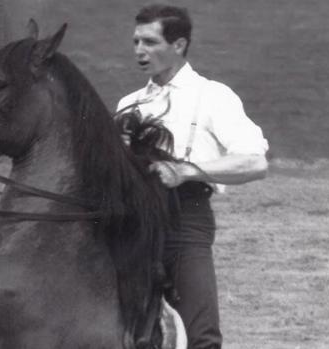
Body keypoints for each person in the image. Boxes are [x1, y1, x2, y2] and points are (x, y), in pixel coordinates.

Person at [116, 4, 269, 349]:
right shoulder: (128, 104)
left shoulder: (213, 97)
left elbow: (254, 162)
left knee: (201, 336)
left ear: (179, 45)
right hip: (132, 224)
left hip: (185, 221)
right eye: (136, 41)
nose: (140, 51)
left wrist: (189, 170)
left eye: (150, 42)